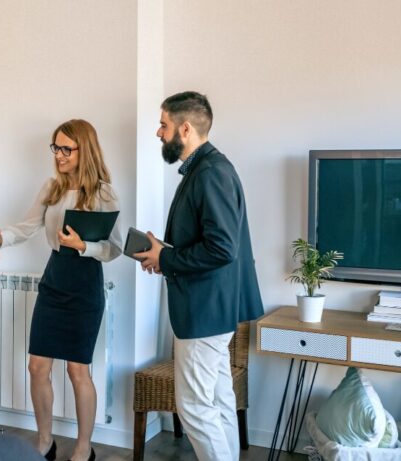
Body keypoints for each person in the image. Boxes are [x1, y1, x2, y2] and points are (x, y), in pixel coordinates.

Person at [134, 92, 264, 461]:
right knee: (219, 401)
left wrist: (168, 257)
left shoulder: (210, 172)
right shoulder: (207, 169)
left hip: (205, 311)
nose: (159, 132)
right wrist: (163, 254)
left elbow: (222, 248)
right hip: (212, 308)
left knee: (193, 408)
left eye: (163, 124)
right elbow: (209, 242)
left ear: (185, 128)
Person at [0, 119, 121, 461]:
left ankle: (83, 447)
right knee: (37, 366)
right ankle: (45, 441)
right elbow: (27, 226)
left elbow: (114, 247)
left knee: (78, 370)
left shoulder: (103, 192)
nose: (58, 155)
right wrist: (0, 236)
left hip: (85, 283)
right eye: (55, 148)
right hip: (54, 279)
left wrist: (83, 246)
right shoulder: (52, 187)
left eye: (66, 149)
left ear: (83, 150)